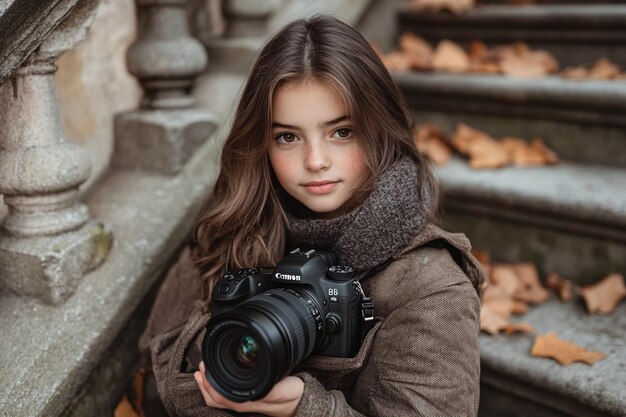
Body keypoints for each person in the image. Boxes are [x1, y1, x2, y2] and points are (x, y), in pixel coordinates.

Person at [139, 14, 484, 417]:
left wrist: (305, 408)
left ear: (380, 129)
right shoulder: (230, 227)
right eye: (287, 137)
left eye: (342, 132)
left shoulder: (430, 287)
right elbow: (153, 363)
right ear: (260, 145)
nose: (315, 161)